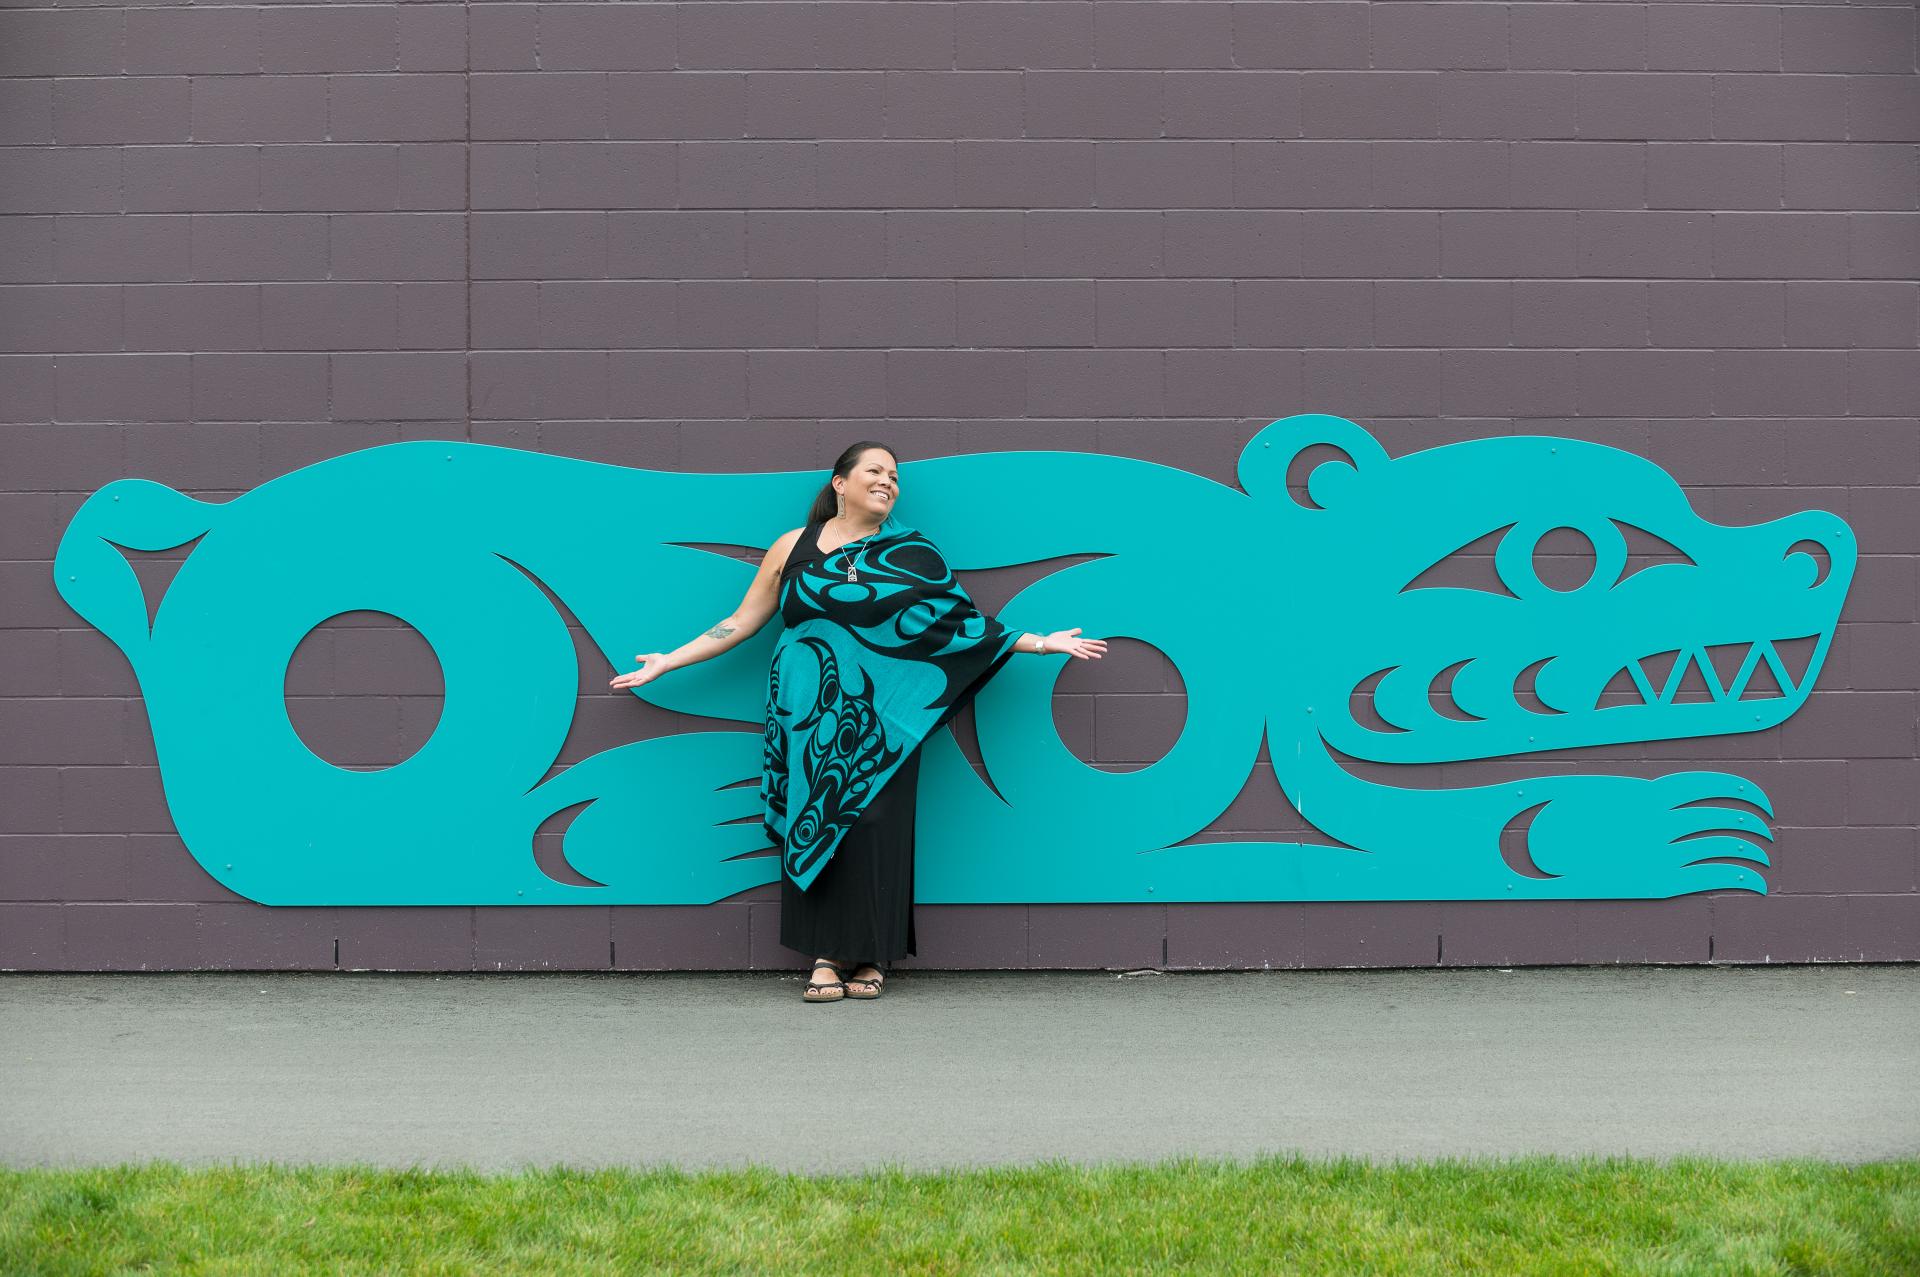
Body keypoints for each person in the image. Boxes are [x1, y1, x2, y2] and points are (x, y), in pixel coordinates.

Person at [610, 442, 1106, 1003]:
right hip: (807, 717)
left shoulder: (915, 553)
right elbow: (742, 621)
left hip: (884, 723)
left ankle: (871, 952)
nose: (887, 482)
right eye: (875, 471)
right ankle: (824, 956)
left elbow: (961, 625)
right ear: (840, 483)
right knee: (816, 819)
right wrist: (668, 661)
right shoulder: (791, 547)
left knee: (875, 830)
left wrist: (1038, 643)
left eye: (894, 476)